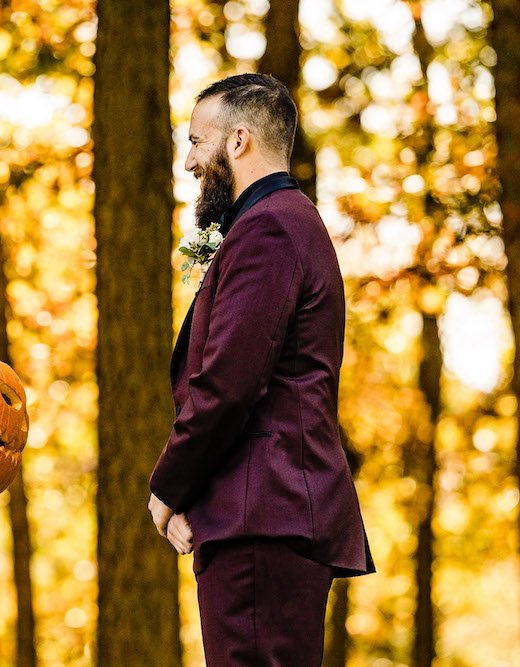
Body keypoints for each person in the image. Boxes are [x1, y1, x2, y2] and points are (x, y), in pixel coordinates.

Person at [147, 74, 374, 666]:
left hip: (263, 518)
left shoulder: (269, 227)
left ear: (239, 140)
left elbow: (227, 385)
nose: (191, 160)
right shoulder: (284, 221)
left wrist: (168, 490)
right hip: (265, 513)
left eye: (198, 141)